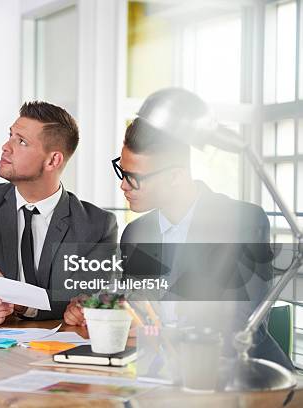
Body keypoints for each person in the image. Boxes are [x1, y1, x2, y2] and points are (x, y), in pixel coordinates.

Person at [64, 116, 292, 368]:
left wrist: (155, 332)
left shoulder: (241, 222)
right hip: (162, 370)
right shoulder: (136, 233)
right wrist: (97, 311)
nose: (123, 185)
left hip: (241, 373)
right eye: (122, 171)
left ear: (175, 176)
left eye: (134, 177)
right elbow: (139, 307)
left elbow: (236, 323)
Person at [0, 101, 118, 327]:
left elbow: (85, 297)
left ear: (53, 160)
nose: (6, 146)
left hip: (57, 351)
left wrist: (16, 299)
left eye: (21, 141)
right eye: (10, 136)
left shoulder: (98, 226)